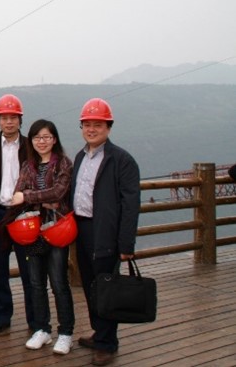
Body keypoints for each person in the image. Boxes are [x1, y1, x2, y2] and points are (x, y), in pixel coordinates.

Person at [70, 98, 140, 366]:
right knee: (90, 285)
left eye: (97, 125)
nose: (91, 129)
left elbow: (131, 205)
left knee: (106, 287)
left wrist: (126, 245)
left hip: (106, 232)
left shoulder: (121, 160)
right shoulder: (80, 157)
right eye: (87, 124)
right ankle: (100, 332)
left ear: (108, 127)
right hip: (82, 229)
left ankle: (107, 344)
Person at [8, 119, 75, 355]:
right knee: (36, 283)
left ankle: (65, 333)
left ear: (54, 139)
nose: (42, 142)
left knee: (59, 283)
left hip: (56, 230)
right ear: (32, 141)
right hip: (34, 232)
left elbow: (59, 192)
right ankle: (42, 329)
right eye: (37, 137)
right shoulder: (28, 165)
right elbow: (17, 193)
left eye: (46, 137)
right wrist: (40, 199)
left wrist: (28, 196)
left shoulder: (64, 163)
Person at [0, 94, 34, 334]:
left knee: (29, 271)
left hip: (24, 215)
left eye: (13, 117)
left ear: (20, 120)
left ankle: (35, 318)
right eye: (4, 118)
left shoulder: (31, 147)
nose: (9, 122)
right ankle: (1, 317)